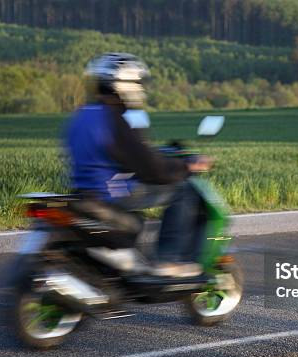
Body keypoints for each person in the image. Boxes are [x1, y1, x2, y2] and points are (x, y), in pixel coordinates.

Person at [64, 53, 211, 277]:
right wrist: (185, 168)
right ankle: (168, 259)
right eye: (138, 82)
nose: (140, 88)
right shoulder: (115, 119)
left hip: (85, 191)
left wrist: (150, 157)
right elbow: (152, 171)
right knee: (183, 190)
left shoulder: (82, 115)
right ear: (124, 84)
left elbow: (117, 155)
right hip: (111, 192)